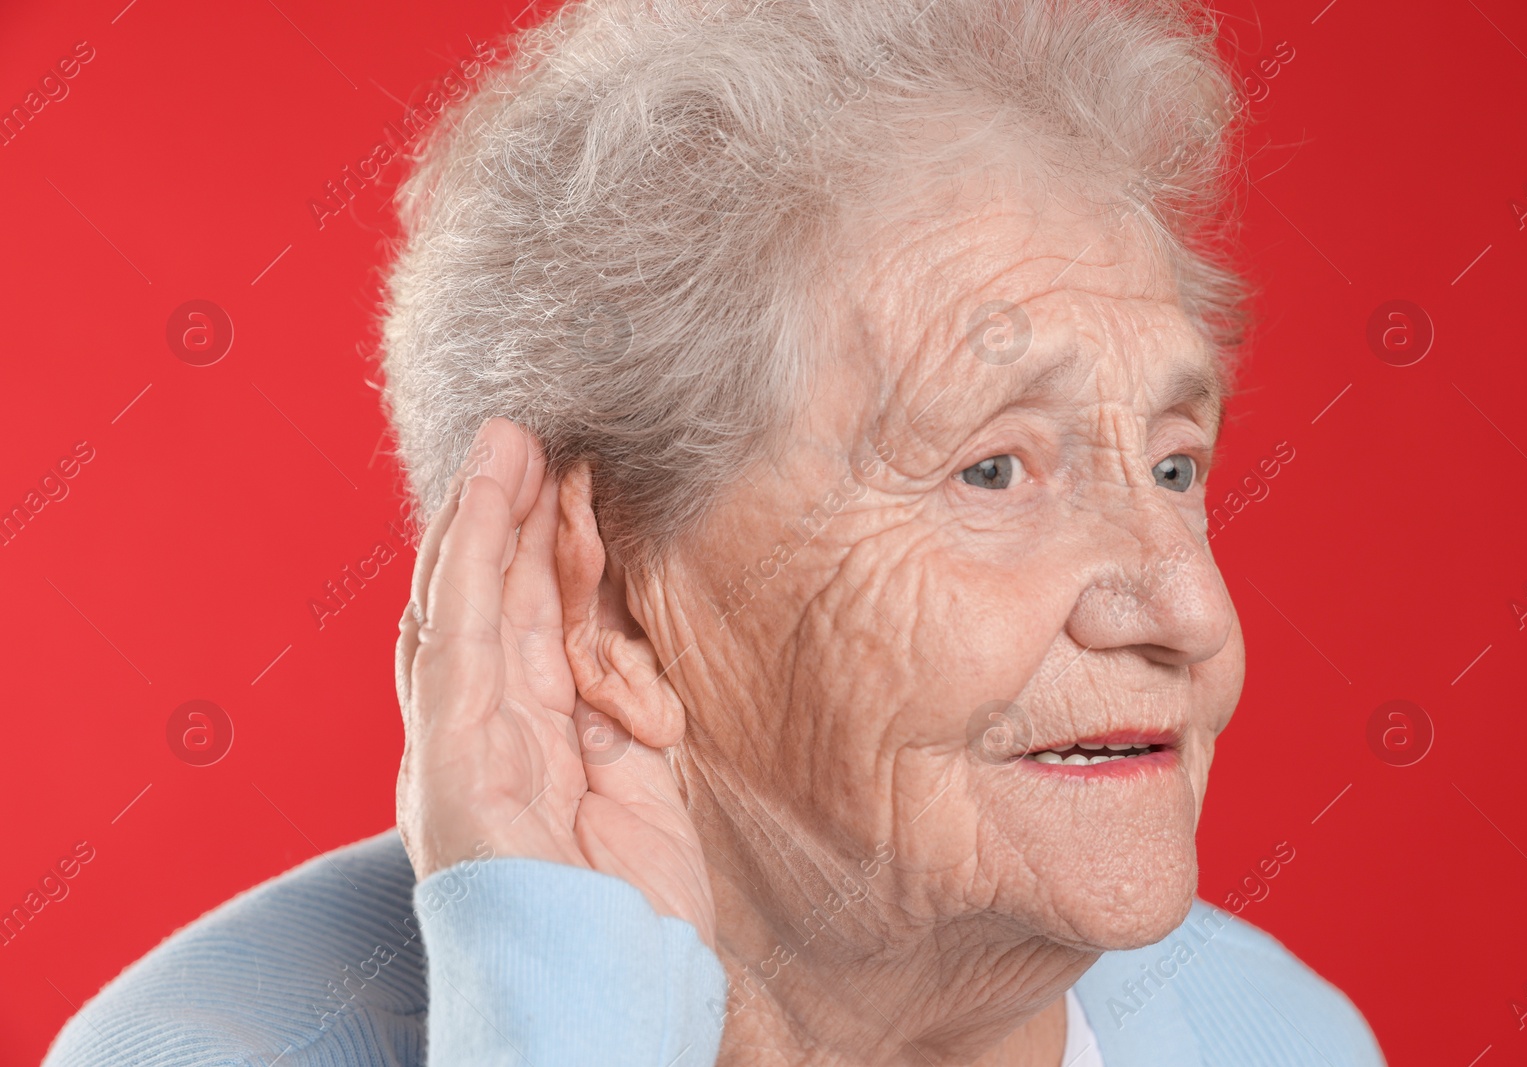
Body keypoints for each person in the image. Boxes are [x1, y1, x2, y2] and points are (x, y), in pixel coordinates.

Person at [45, 0, 1386, 1063]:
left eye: (1169, 463)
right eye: (993, 471)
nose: (1189, 610)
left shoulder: (1279, 1035)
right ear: (606, 598)